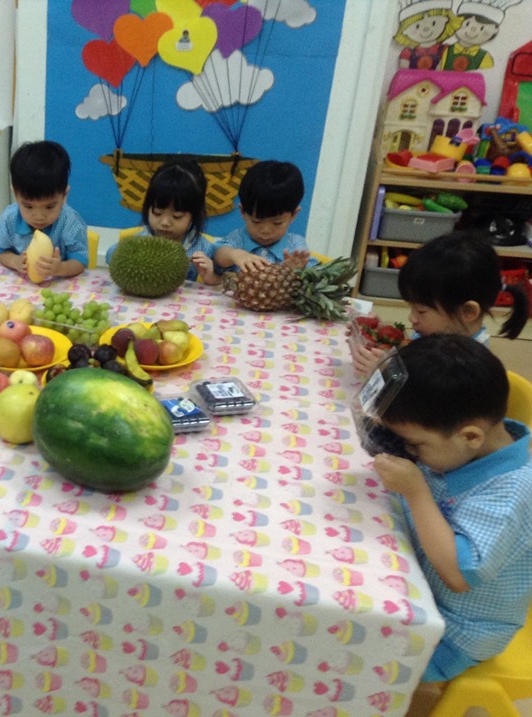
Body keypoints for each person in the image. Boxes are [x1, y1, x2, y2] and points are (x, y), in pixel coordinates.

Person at [372, 334, 532, 710]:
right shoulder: (464, 447)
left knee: (349, 648)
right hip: (420, 587)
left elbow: (458, 574)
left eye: (416, 445)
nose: (410, 451)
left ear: (471, 436)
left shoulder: (512, 492)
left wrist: (416, 492)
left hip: (458, 633)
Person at [351, 230, 529, 375]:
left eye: (421, 311)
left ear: (467, 312)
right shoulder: (440, 333)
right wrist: (380, 333)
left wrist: (385, 373)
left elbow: (422, 401)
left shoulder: (465, 366)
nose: (412, 318)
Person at [105, 157, 219, 284]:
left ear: (195, 215)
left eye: (177, 216)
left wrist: (212, 277)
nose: (165, 222)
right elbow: (110, 255)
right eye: (157, 213)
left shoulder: (203, 249)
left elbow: (225, 278)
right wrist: (127, 256)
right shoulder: (142, 240)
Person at [0, 140, 88, 281]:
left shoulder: (70, 221)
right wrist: (14, 261)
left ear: (64, 195)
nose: (39, 216)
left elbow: (80, 261)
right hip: (19, 285)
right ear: (16, 194)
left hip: (59, 286)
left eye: (49, 207)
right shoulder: (10, 218)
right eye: (29, 206)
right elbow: (0, 251)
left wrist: (60, 268)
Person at [213, 160, 316, 274]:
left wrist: (295, 271)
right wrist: (235, 254)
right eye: (256, 221)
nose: (265, 231)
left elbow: (313, 273)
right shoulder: (237, 238)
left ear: (294, 215)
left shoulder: (295, 245)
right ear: (243, 212)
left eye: (277, 223)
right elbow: (217, 254)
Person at [393, 0, 458, 71]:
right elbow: (404, 72)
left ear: (446, 20)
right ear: (405, 31)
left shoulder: (444, 50)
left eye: (433, 23)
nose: (426, 29)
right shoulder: (408, 52)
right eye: (417, 26)